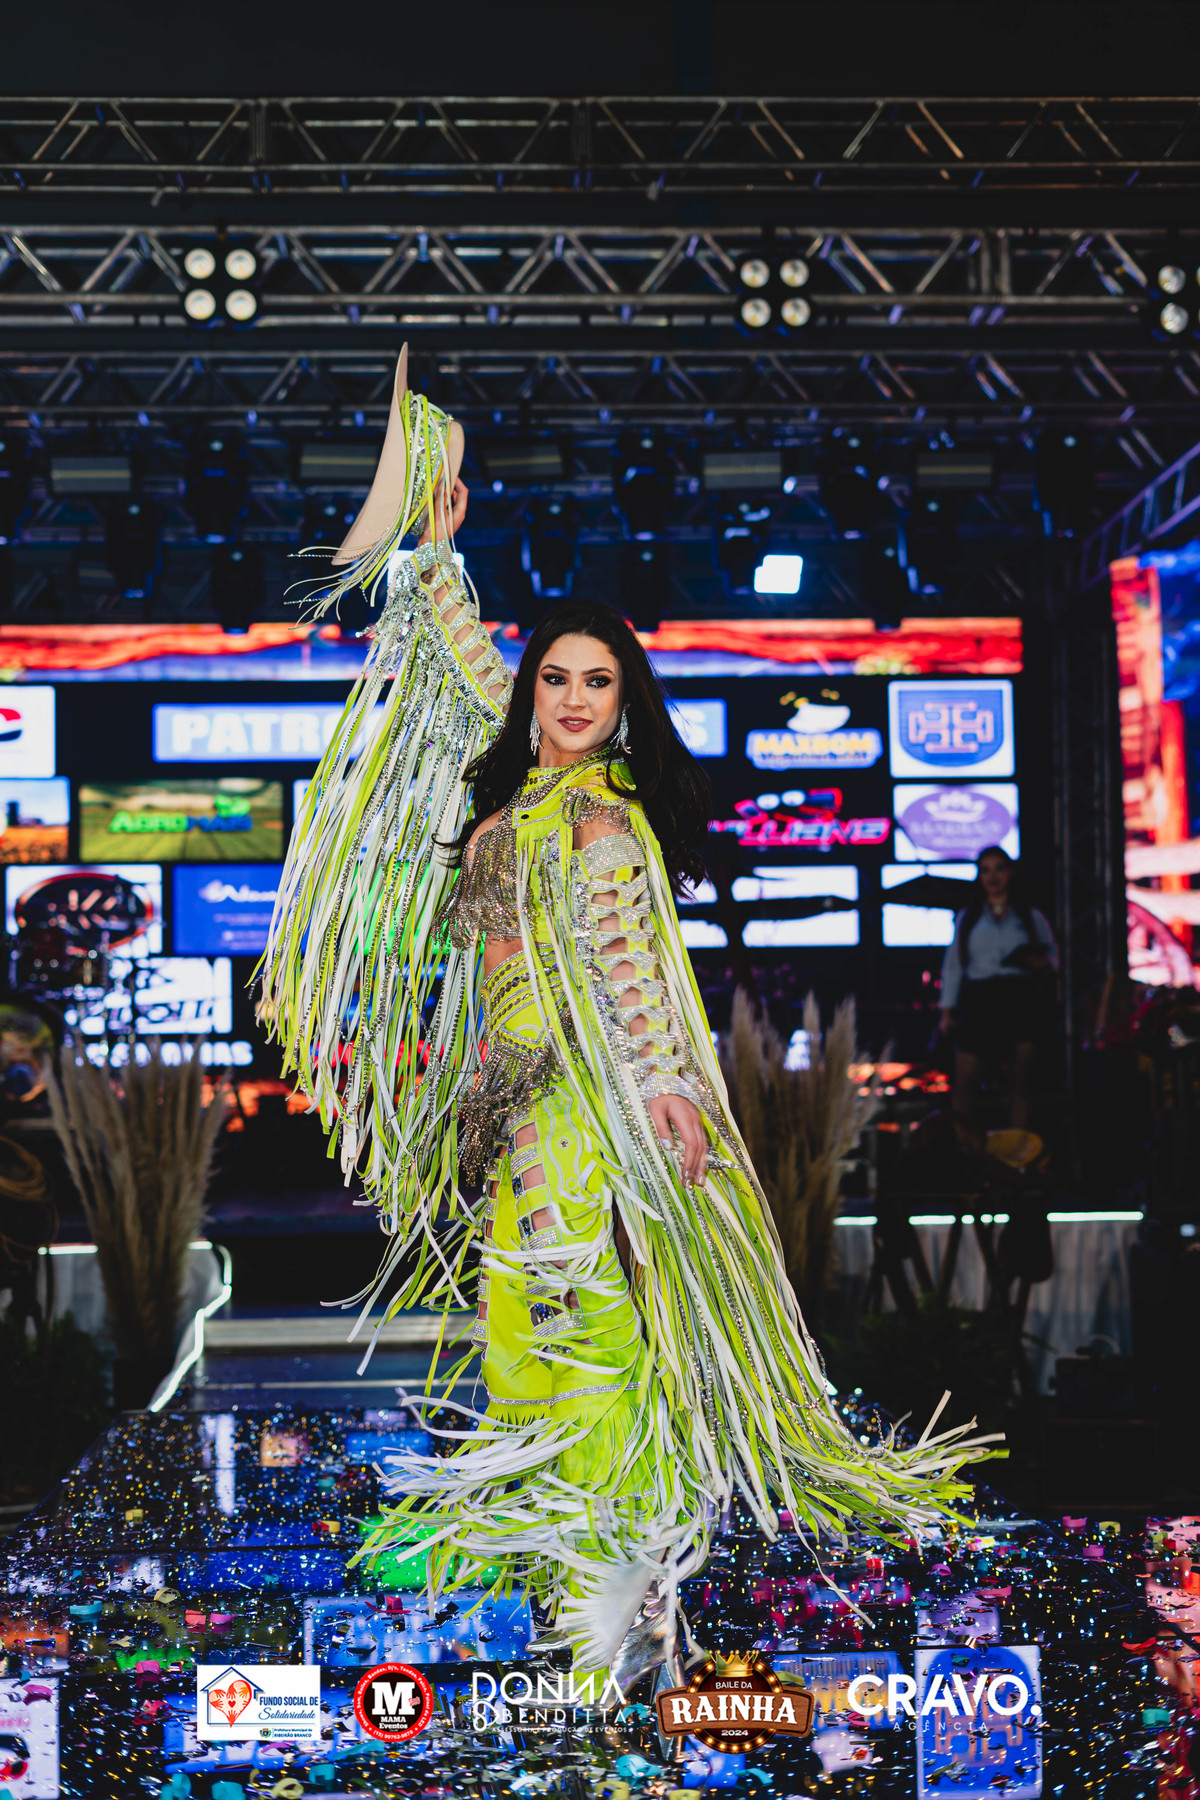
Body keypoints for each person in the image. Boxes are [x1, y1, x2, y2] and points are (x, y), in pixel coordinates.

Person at [259, 347, 996, 1694]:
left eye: (597, 683)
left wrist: (666, 1094)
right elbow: (464, 672)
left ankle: (608, 1632)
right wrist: (436, 551)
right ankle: (586, 1615)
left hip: (588, 1120)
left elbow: (636, 977)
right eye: (557, 679)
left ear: (623, 704)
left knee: (587, 1340)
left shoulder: (602, 824)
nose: (570, 698)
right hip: (521, 1118)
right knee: (528, 1342)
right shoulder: (522, 795)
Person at [939, 846, 1058, 1132]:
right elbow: (954, 964)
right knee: (966, 1080)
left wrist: (1040, 962)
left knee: (1020, 1080)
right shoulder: (968, 917)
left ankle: (1017, 1148)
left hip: (1019, 997)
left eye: (998, 869)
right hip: (980, 999)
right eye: (985, 870)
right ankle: (966, 1148)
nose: (992, 877)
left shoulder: (1030, 916)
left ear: (1010, 873)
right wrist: (947, 1009)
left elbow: (1054, 959)